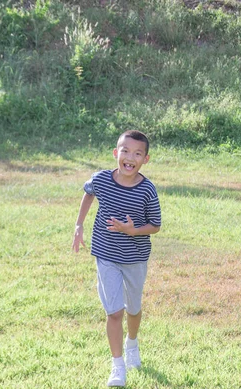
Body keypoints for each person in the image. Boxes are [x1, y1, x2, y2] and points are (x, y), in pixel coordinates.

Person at [72, 130, 162, 387]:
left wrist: (133, 230)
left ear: (145, 159)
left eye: (137, 153)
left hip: (135, 258)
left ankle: (132, 343)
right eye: (125, 151)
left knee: (133, 309)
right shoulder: (101, 179)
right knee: (114, 312)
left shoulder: (147, 189)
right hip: (106, 255)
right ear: (116, 153)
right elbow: (89, 192)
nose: (130, 157)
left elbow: (155, 225)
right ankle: (118, 366)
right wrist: (79, 225)